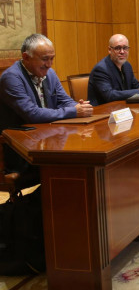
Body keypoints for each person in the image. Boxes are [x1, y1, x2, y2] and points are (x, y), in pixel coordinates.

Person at [0, 33, 93, 180]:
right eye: (44, 59)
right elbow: (33, 114)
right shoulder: (11, 78)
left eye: (52, 58)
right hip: (21, 150)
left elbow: (64, 100)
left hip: (48, 141)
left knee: (83, 161)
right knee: (73, 168)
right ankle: (34, 202)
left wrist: (78, 107)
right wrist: (73, 111)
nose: (49, 64)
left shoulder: (49, 73)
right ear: (26, 57)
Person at [88, 34, 139, 105]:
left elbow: (135, 85)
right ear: (110, 50)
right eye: (118, 48)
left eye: (125, 48)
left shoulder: (127, 65)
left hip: (122, 109)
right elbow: (109, 95)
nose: (122, 52)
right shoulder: (101, 69)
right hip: (102, 112)